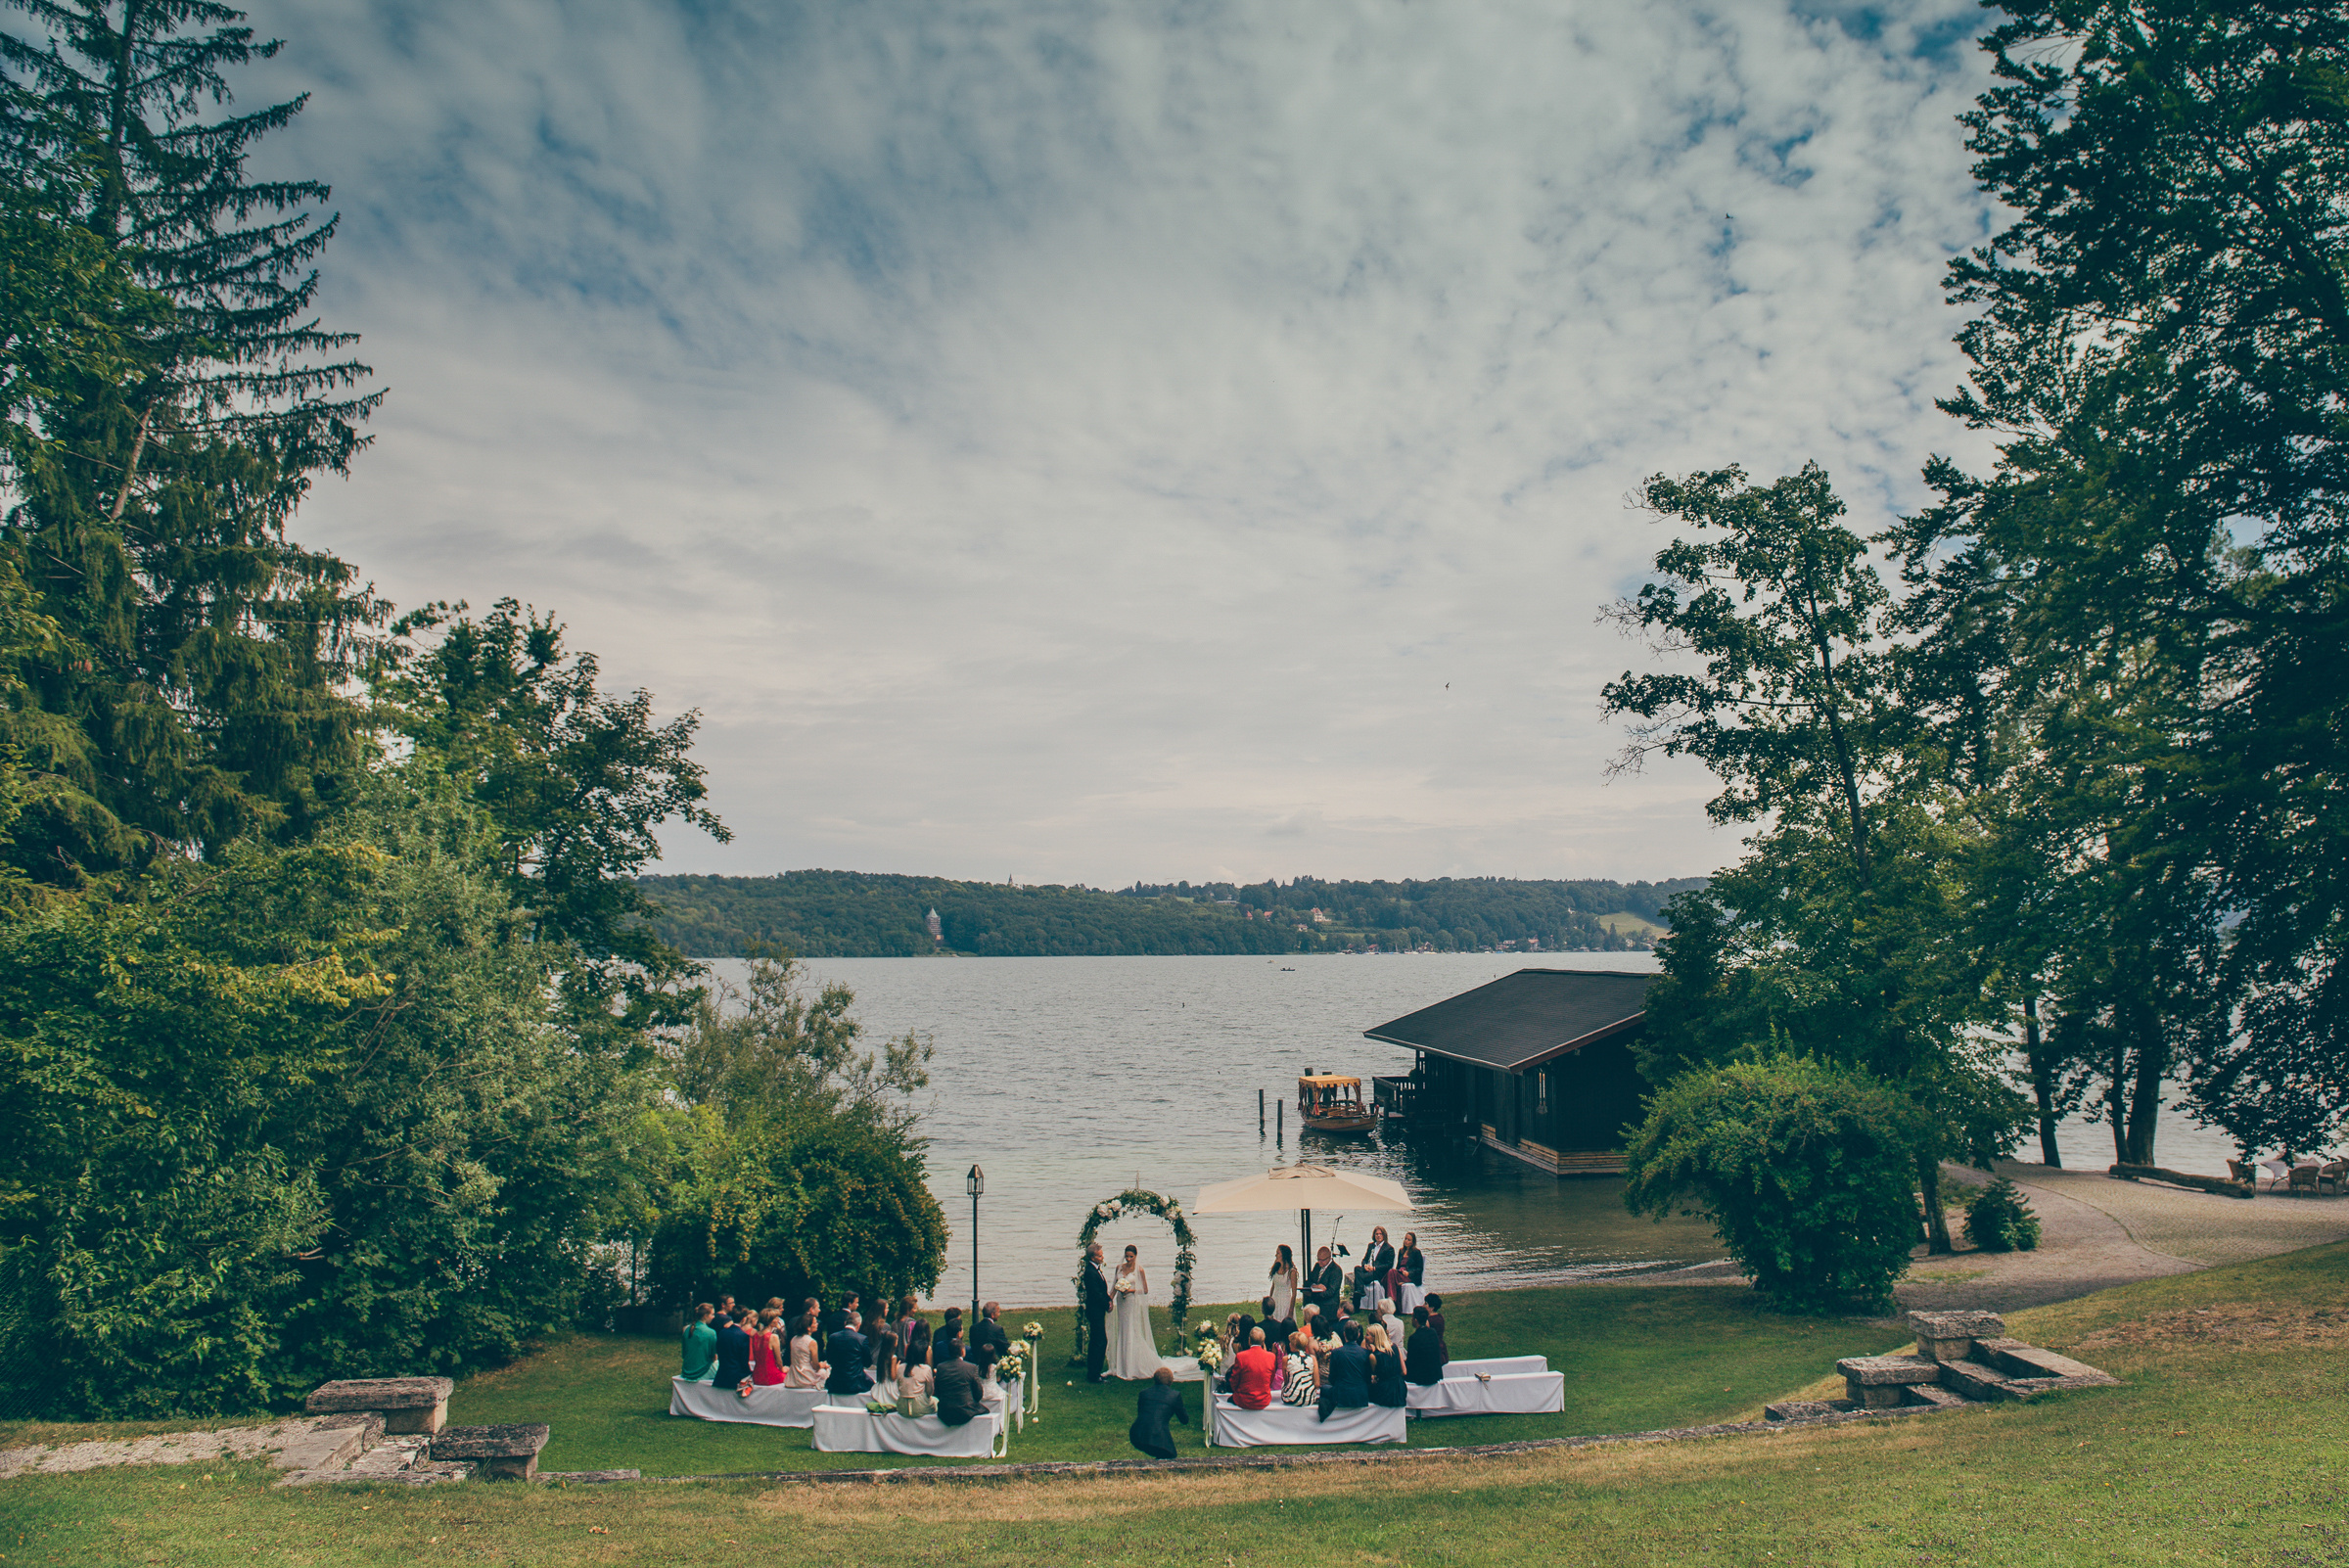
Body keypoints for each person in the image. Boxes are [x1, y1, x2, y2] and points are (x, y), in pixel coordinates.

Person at [1108, 1244, 1165, 1379]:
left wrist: (1130, 1290)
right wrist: (1109, 1299)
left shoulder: (1139, 1270)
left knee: (1131, 1330)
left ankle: (1132, 1366)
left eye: (1131, 1257)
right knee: (1123, 1330)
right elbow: (1114, 1287)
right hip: (1121, 1303)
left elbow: (1145, 1290)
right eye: (1126, 1256)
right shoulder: (1119, 1268)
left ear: (1136, 1256)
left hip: (1131, 1303)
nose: (1128, 1259)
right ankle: (1123, 1363)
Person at [1128, 1364, 1188, 1459]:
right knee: (1170, 1455)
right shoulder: (1175, 1395)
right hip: (1157, 1435)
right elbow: (1184, 1420)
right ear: (1171, 1381)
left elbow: (1142, 1412)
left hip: (1137, 1433)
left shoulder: (1144, 1393)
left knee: (1163, 1454)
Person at [1317, 1321, 1371, 1422]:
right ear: (1358, 1334)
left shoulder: (1337, 1353)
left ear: (1344, 1334)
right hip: (1359, 1394)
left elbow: (1332, 1377)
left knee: (1324, 1389)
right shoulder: (1365, 1353)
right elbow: (1367, 1377)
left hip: (1342, 1394)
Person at [934, 1340, 988, 1428]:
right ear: (963, 1351)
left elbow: (938, 1391)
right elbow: (978, 1394)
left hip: (945, 1411)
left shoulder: (940, 1367)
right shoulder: (971, 1367)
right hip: (965, 1410)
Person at [1081, 1241, 1113, 1383]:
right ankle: (1094, 1374)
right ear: (1093, 1258)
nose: (1102, 1257)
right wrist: (1106, 1304)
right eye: (1099, 1256)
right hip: (1095, 1311)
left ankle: (1094, 1372)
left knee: (1097, 1341)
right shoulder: (1090, 1272)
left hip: (1098, 1310)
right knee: (1100, 1342)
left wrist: (1109, 1299)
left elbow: (1102, 1291)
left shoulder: (1096, 1270)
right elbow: (1095, 1293)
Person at [824, 1311, 873, 1396]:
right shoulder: (862, 1339)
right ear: (858, 1325)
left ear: (845, 1323)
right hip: (855, 1383)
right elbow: (868, 1363)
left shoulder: (832, 1337)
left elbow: (829, 1360)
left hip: (836, 1383)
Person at [1228, 1327, 1277, 1410]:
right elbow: (1270, 1379)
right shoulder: (1271, 1357)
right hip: (1262, 1399)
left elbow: (1234, 1379)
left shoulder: (1241, 1356)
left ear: (1249, 1340)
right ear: (1263, 1342)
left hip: (1244, 1400)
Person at [1364, 1323, 1407, 1407]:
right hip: (1400, 1388)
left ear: (1374, 1337)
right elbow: (1404, 1371)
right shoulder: (1394, 1347)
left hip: (1385, 1391)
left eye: (1367, 1335)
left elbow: (1374, 1374)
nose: (1365, 1337)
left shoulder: (1373, 1356)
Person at [713, 1308, 756, 1391]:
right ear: (744, 1319)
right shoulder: (743, 1336)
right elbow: (743, 1359)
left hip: (721, 1374)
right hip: (736, 1377)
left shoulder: (722, 1332)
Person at [1354, 1226, 1397, 1307]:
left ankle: (1358, 1295)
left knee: (1359, 1277)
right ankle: (1360, 1290)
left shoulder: (1389, 1248)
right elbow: (1365, 1259)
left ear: (1384, 1235)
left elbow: (1389, 1265)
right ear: (1374, 1235)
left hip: (1378, 1272)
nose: (1378, 1236)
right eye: (1376, 1234)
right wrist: (1365, 1265)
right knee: (1357, 1268)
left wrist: (1374, 1268)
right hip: (1368, 1269)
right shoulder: (1371, 1246)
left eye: (1380, 1234)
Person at [1406, 1305, 1447, 1386]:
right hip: (1435, 1375)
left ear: (1416, 1320)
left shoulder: (1414, 1338)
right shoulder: (1433, 1333)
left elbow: (1411, 1361)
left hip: (1422, 1377)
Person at [786, 1312, 827, 1388]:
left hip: (793, 1376)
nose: (817, 1324)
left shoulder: (793, 1339)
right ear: (808, 1327)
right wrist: (822, 1365)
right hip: (805, 1376)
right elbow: (815, 1366)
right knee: (824, 1373)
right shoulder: (812, 1342)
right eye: (815, 1323)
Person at [680, 1303, 718, 1384]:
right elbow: (713, 1357)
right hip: (699, 1372)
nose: (713, 1317)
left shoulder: (686, 1330)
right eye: (712, 1314)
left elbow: (684, 1354)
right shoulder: (710, 1332)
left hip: (686, 1371)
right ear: (705, 1316)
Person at [750, 1308, 788, 1386]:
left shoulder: (755, 1335)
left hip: (757, 1375)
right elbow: (779, 1360)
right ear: (770, 1320)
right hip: (770, 1375)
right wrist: (782, 1369)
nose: (778, 1320)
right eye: (776, 1318)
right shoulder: (773, 1337)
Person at [1302, 1245, 1342, 1318]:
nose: (1319, 1262)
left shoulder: (1336, 1270)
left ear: (1329, 1258)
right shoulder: (1317, 1266)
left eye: (1322, 1260)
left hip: (1328, 1309)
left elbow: (1330, 1292)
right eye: (1318, 1259)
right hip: (1315, 1307)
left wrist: (1313, 1295)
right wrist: (1316, 1286)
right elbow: (1307, 1282)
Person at [1280, 1330, 1317, 1407]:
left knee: (1284, 1384)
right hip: (1309, 1398)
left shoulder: (1286, 1359)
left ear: (1293, 1345)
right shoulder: (1312, 1358)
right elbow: (1317, 1383)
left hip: (1291, 1397)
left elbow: (1286, 1380)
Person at [1267, 1244, 1299, 1321]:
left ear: (1283, 1255)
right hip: (1275, 1299)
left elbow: (1294, 1293)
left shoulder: (1291, 1272)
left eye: (1278, 1253)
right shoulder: (1276, 1268)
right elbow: (1273, 1287)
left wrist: (1290, 1311)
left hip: (1285, 1301)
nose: (1276, 1255)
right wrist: (1269, 1302)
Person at [1426, 1293, 1450, 1360]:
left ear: (1432, 1308)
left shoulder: (1428, 1320)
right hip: (1441, 1347)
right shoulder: (1440, 1317)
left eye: (1426, 1304)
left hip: (1433, 1349)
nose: (1423, 1305)